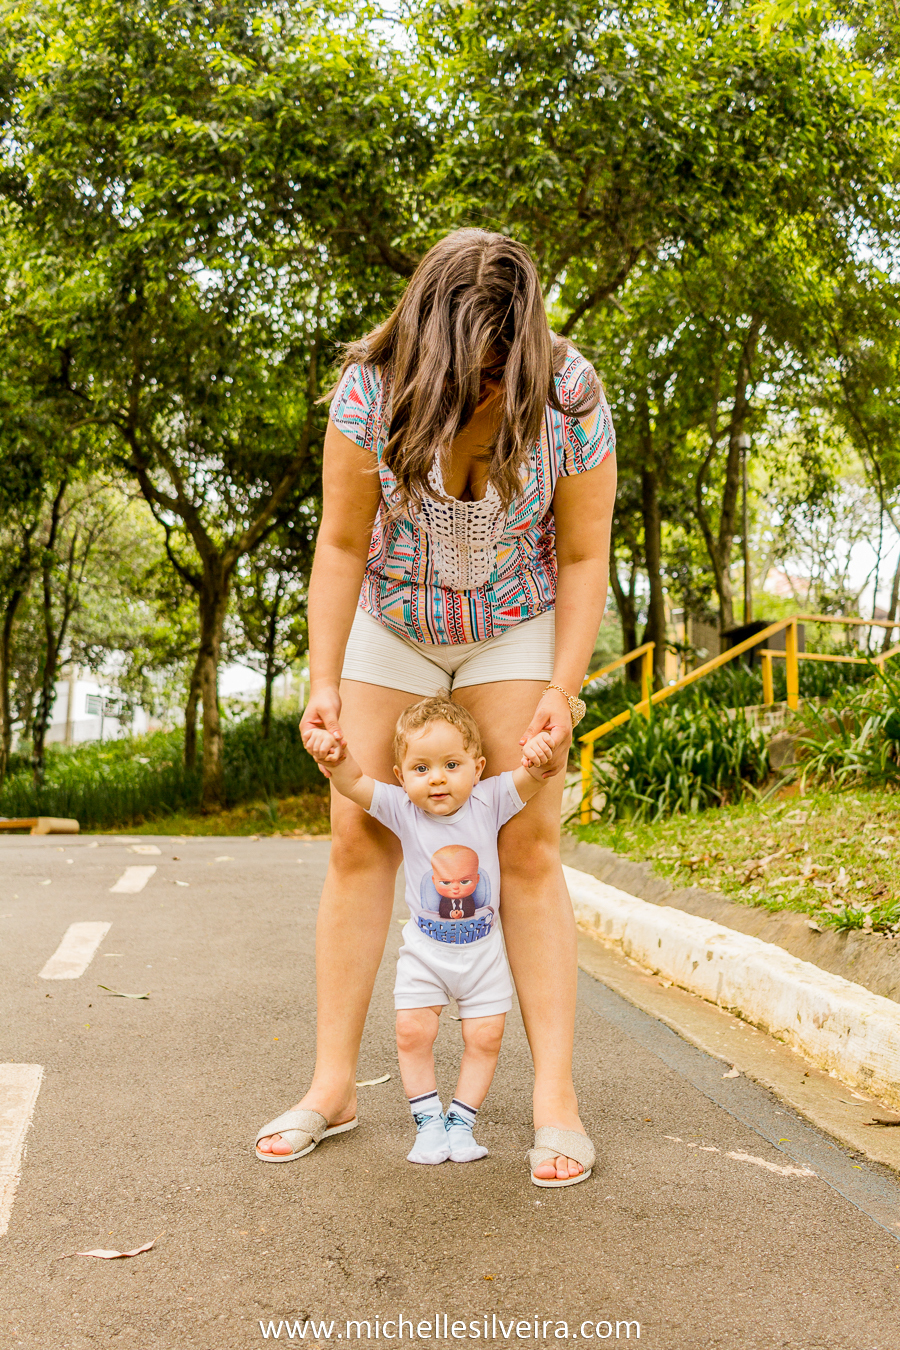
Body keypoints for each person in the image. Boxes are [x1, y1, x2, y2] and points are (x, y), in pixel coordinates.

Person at [254, 227, 616, 1185]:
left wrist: (562, 693)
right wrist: (324, 677)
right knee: (357, 834)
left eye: (503, 370)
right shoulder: (370, 392)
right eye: (473, 371)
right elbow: (340, 543)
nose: (489, 390)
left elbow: (582, 555)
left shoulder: (571, 396)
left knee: (527, 844)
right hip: (396, 619)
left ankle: (556, 1100)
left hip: (515, 622)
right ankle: (333, 1085)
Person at [289, 694, 566, 1174]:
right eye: (420, 768)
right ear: (401, 776)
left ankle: (461, 1120)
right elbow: (354, 783)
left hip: (483, 955)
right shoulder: (402, 809)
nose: (437, 778)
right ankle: (427, 1123)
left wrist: (542, 755)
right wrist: (335, 758)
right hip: (425, 954)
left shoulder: (491, 798)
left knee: (485, 1036)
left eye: (451, 764)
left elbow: (533, 778)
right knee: (413, 1031)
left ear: (477, 768)